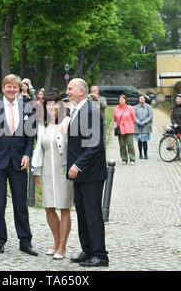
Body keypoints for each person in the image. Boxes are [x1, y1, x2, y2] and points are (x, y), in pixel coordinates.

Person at [0, 74, 38, 256]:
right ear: (3, 88)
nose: (12, 90)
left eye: (15, 87)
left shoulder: (27, 108)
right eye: (9, 87)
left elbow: (30, 135)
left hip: (19, 162)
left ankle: (25, 241)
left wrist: (28, 154)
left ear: (19, 89)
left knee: (21, 203)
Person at [66, 78, 108, 267]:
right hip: (80, 174)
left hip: (91, 173)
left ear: (81, 91)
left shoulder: (90, 110)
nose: (67, 92)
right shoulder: (76, 110)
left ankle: (100, 255)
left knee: (92, 214)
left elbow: (95, 145)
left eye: (70, 89)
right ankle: (88, 250)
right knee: (82, 213)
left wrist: (78, 165)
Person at [32, 92, 72, 260]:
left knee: (63, 207)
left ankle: (62, 246)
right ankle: (56, 241)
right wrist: (37, 171)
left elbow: (74, 146)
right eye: (48, 104)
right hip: (48, 170)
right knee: (49, 207)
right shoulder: (42, 125)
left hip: (63, 170)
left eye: (54, 104)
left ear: (60, 106)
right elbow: (38, 149)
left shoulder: (68, 122)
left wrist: (67, 131)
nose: (51, 107)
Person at [113, 94, 136, 165]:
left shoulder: (129, 108)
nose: (121, 101)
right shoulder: (116, 108)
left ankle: (132, 159)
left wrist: (127, 124)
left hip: (129, 129)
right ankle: (124, 159)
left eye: (123, 99)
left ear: (125, 100)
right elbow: (114, 119)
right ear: (118, 101)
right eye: (120, 99)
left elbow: (133, 118)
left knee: (130, 144)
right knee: (122, 145)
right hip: (120, 129)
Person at [134, 95, 153, 159]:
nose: (141, 99)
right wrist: (138, 122)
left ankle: (145, 154)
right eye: (140, 98)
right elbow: (134, 116)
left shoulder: (148, 107)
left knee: (145, 141)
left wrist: (145, 122)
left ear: (144, 99)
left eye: (143, 98)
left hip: (146, 126)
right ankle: (140, 154)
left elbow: (150, 115)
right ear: (138, 99)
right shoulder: (136, 107)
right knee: (139, 141)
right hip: (138, 126)